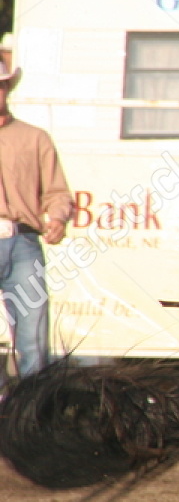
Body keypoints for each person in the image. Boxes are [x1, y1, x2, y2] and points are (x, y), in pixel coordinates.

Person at [0, 55, 73, 375]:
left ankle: (30, 414)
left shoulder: (35, 138)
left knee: (32, 337)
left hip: (23, 239)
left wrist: (57, 218)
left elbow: (57, 192)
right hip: (21, 244)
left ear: (8, 89)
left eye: (1, 87)